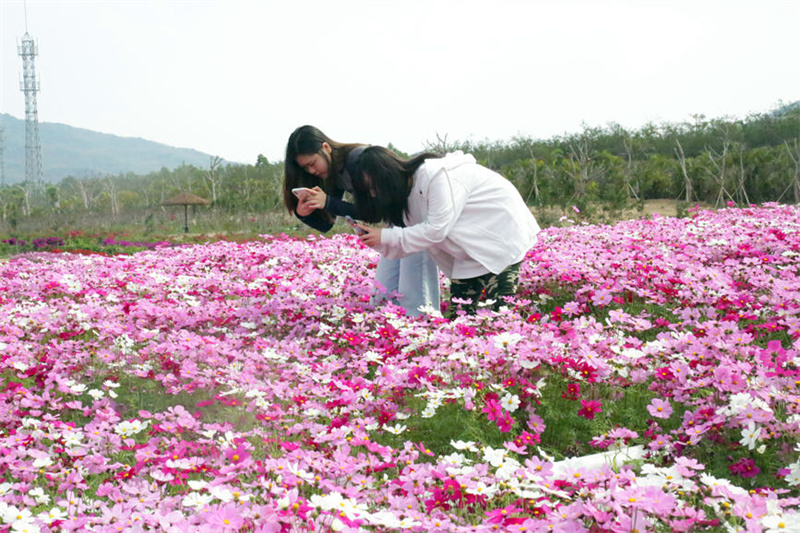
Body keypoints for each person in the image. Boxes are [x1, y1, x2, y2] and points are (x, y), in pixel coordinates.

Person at [350, 146, 540, 315]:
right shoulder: (403, 202)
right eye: (368, 192)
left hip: (500, 233)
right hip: (468, 252)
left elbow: (436, 229)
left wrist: (384, 236)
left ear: (387, 175)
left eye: (373, 187)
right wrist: (377, 241)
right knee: (461, 317)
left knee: (502, 312)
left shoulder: (434, 175)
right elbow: (409, 245)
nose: (374, 195)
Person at [283, 126, 440, 316]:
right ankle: (394, 335)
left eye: (312, 163)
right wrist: (304, 213)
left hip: (413, 216)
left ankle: (422, 333)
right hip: (395, 224)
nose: (312, 170)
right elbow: (327, 224)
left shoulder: (358, 160)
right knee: (383, 293)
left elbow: (375, 211)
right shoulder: (333, 173)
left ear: (325, 147)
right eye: (306, 168)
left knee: (414, 294)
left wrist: (329, 202)